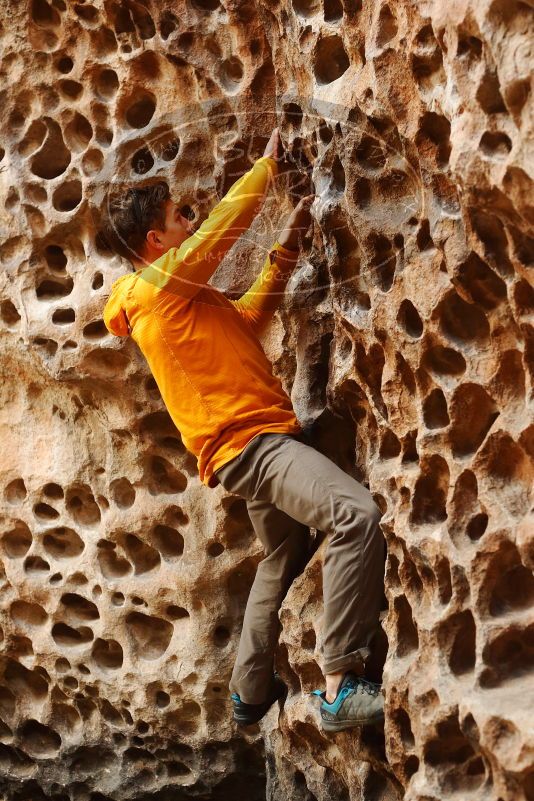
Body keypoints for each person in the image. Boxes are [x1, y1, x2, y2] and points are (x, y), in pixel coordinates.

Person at [101, 128, 385, 732]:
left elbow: (249, 320)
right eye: (181, 216)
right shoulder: (154, 292)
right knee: (353, 513)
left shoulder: (185, 299)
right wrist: (267, 167)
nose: (190, 219)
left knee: (285, 550)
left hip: (246, 445)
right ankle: (338, 683)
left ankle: (249, 693)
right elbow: (217, 235)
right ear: (157, 239)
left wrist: (284, 251)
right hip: (253, 447)